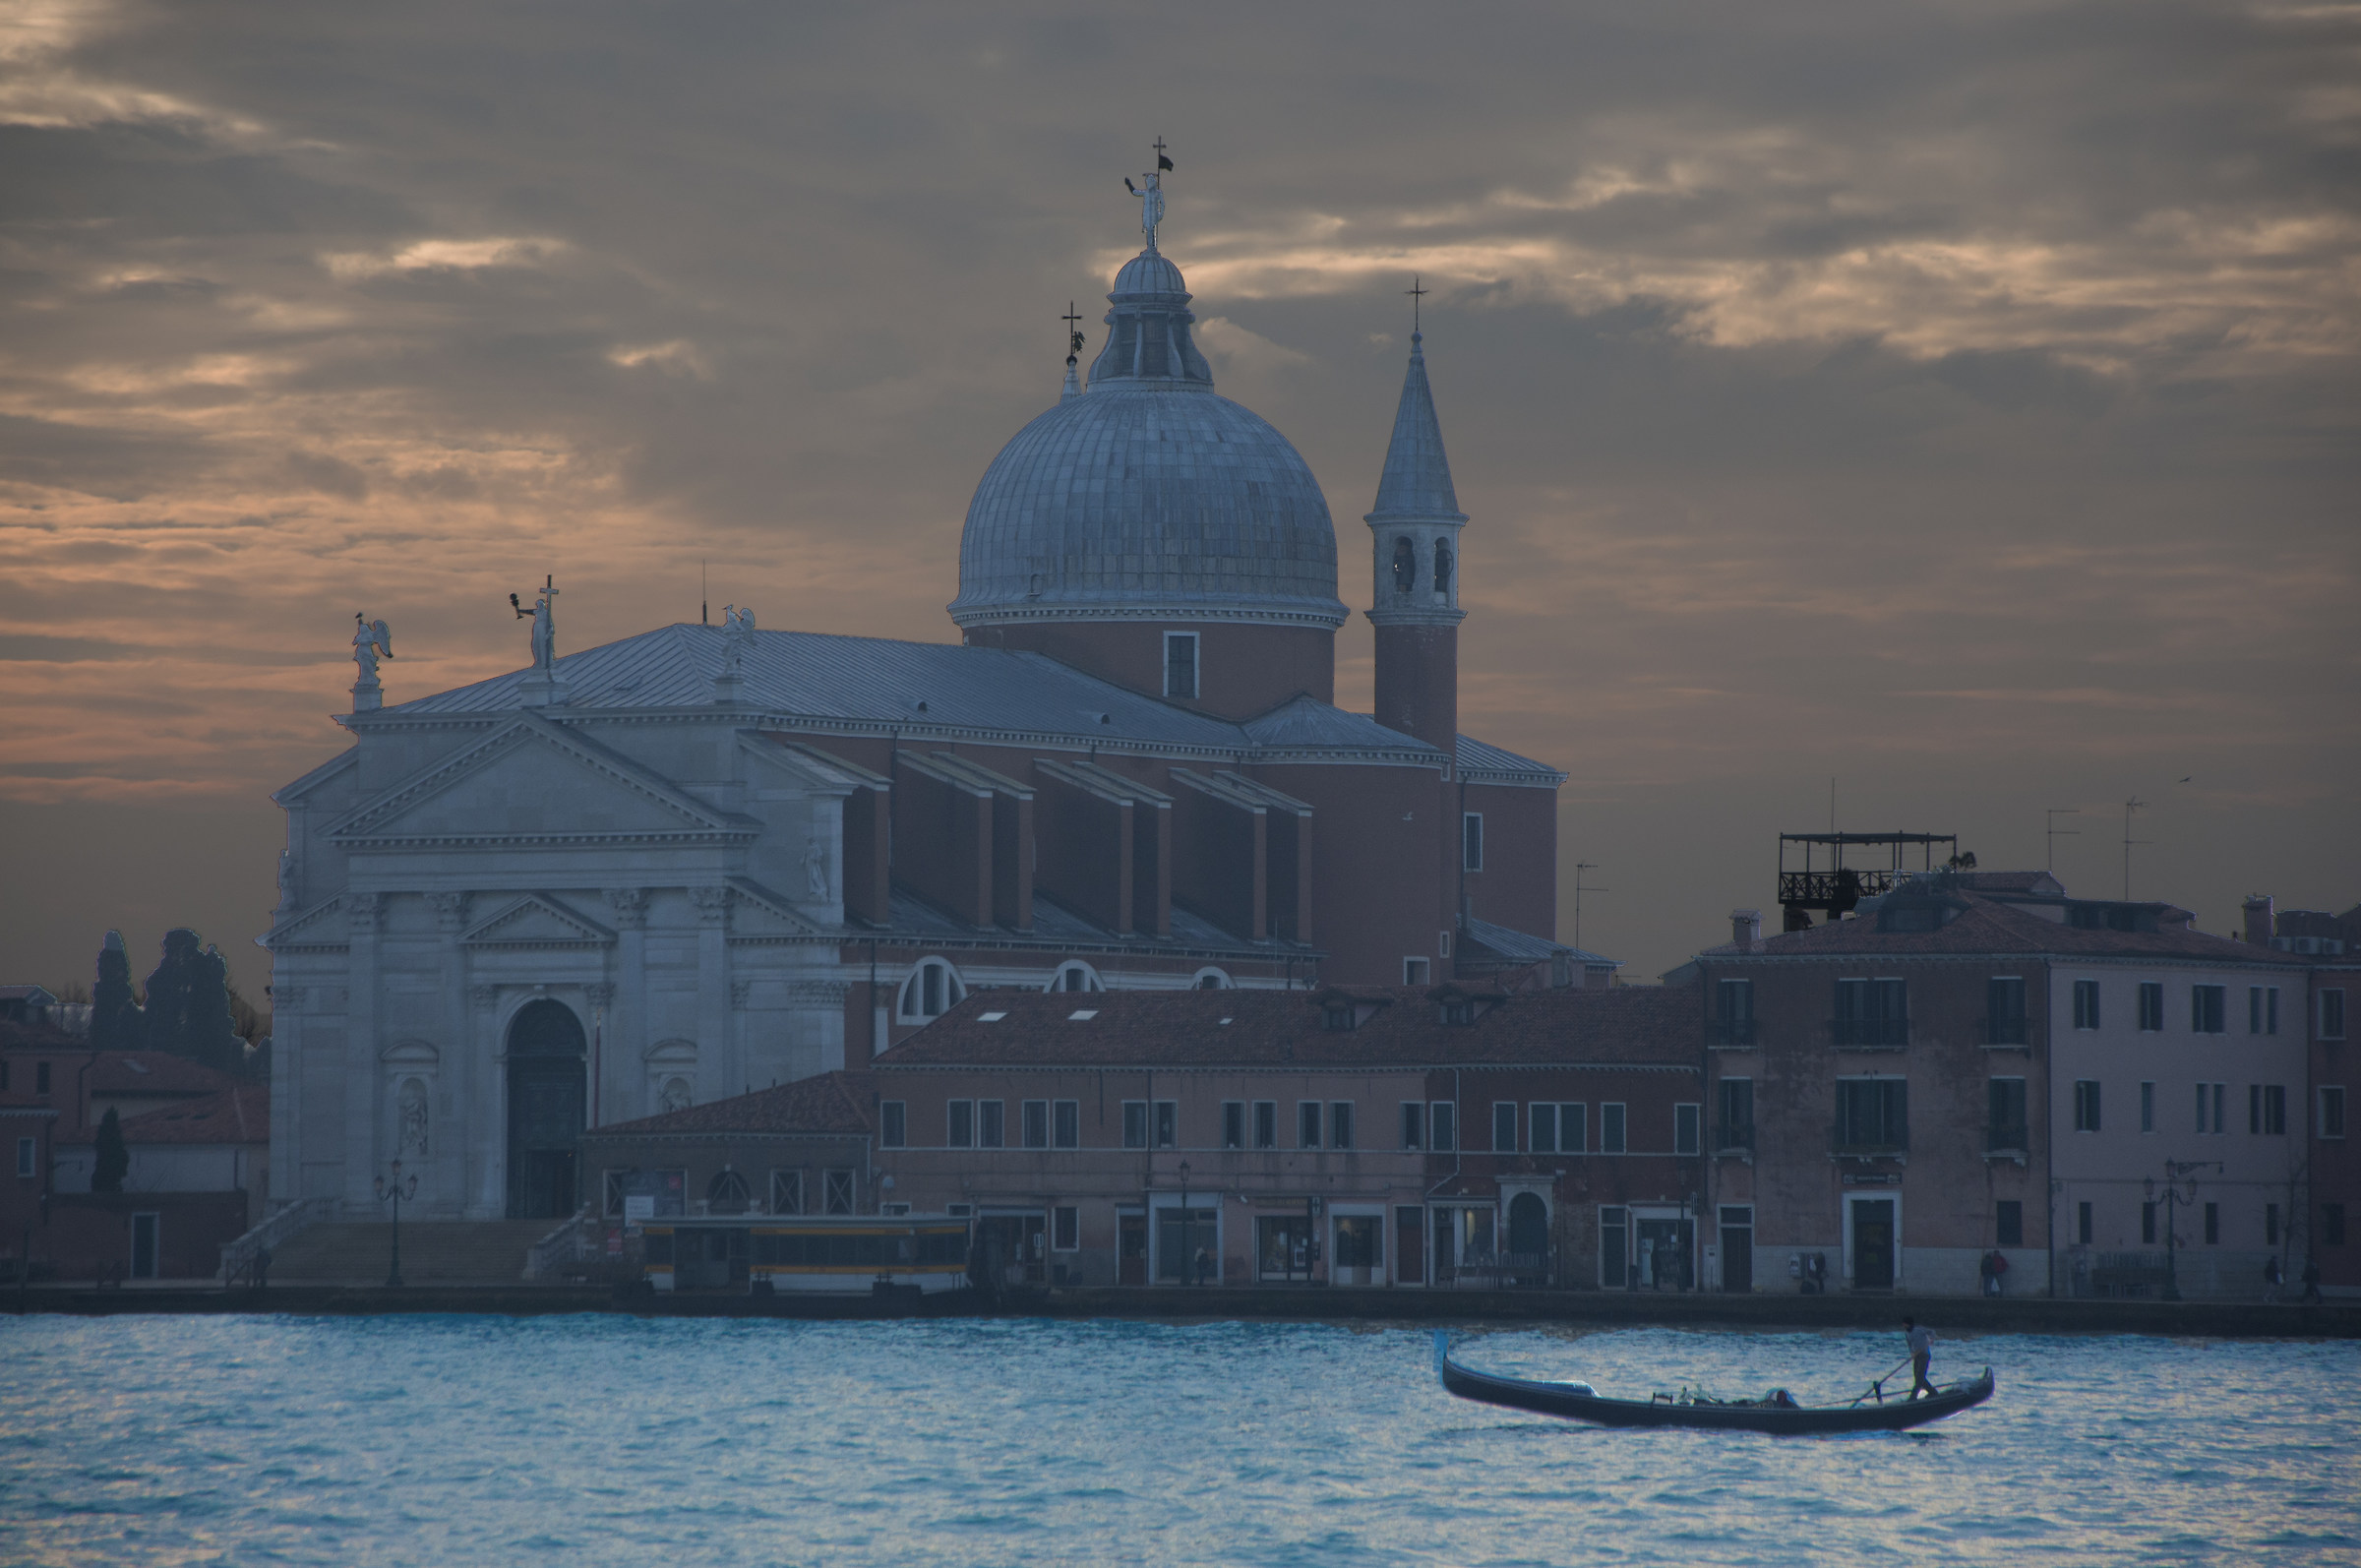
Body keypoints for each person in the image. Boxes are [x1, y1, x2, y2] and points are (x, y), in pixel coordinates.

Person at [1905, 1316, 1936, 1399]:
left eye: (1905, 1324)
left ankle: (1913, 1397)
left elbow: (1931, 1332)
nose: (1904, 1326)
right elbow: (1910, 1345)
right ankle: (1933, 1392)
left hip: (1924, 1355)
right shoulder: (1907, 1333)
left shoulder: (1919, 1330)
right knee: (1918, 1377)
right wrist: (1912, 1353)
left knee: (1920, 1378)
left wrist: (1932, 1339)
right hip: (1916, 1356)